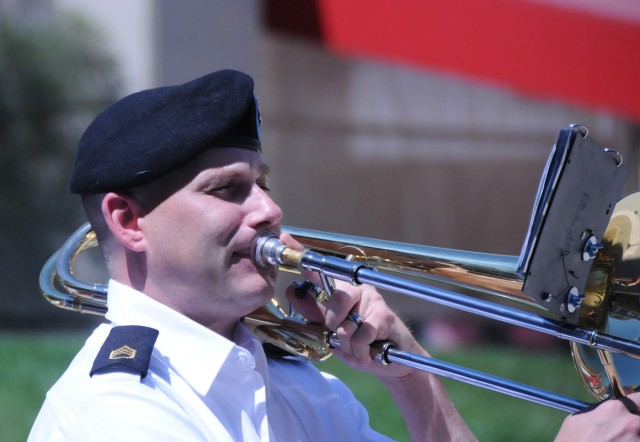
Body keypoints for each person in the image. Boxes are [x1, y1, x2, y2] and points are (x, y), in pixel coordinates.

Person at [28, 70, 640, 441]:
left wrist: (412, 372)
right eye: (227, 190)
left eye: (263, 184)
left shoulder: (294, 384)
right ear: (128, 221)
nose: (268, 209)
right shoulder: (114, 414)